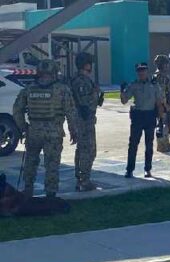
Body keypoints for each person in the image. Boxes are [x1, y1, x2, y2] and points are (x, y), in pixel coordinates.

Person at [13, 59, 78, 198]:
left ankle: (28, 190)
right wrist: (73, 130)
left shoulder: (29, 89)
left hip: (33, 133)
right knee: (52, 164)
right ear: (54, 72)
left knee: (31, 162)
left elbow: (17, 110)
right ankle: (50, 194)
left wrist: (24, 127)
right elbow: (71, 112)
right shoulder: (62, 89)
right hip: (54, 134)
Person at [121, 62, 165, 178]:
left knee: (149, 145)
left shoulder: (154, 85)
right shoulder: (134, 85)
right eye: (139, 71)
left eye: (143, 70)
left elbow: (159, 102)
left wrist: (161, 119)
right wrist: (122, 91)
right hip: (138, 117)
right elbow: (124, 100)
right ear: (137, 72)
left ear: (147, 71)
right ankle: (129, 170)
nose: (141, 73)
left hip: (150, 116)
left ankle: (147, 169)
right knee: (133, 144)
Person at [69, 52, 104, 191]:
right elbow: (84, 101)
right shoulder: (81, 81)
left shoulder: (82, 79)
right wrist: (95, 92)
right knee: (88, 150)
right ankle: (84, 180)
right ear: (86, 64)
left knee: (83, 149)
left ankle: (81, 178)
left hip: (85, 119)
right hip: (83, 120)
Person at [152, 54, 170, 153]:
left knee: (167, 123)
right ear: (161, 64)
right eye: (165, 64)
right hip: (161, 105)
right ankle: (161, 145)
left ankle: (166, 143)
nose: (167, 66)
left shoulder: (165, 75)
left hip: (166, 102)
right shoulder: (159, 76)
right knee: (161, 124)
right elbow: (160, 92)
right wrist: (165, 105)